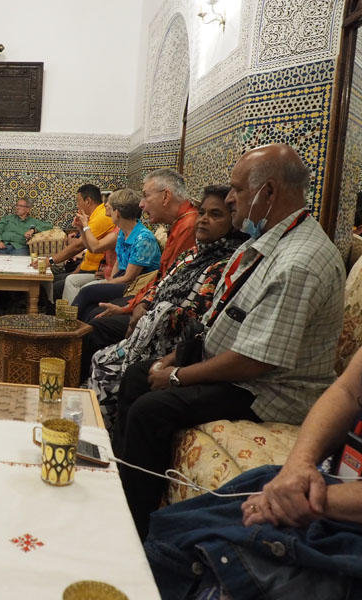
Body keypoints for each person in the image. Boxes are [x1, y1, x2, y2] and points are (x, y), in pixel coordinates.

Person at [113, 144, 345, 539]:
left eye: (238, 189)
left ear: (268, 193)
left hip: (266, 390)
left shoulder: (300, 261)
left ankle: (134, 531)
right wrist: (172, 358)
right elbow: (221, 320)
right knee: (137, 375)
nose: (232, 198)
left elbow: (255, 362)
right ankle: (121, 492)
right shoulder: (269, 243)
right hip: (238, 366)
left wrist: (176, 377)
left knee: (151, 409)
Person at [144, 346, 362, 599]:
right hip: (329, 486)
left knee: (221, 557)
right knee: (177, 528)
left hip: (343, 523)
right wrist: (297, 466)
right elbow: (347, 390)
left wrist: (306, 500)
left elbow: (253, 360)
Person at [88, 186, 245, 431]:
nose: (203, 219)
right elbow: (161, 281)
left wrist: (146, 314)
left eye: (215, 215)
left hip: (172, 340)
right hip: (150, 320)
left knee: (97, 323)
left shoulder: (227, 265)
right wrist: (141, 304)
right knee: (97, 332)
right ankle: (94, 423)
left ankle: (106, 435)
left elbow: (199, 317)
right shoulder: (192, 255)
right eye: (202, 212)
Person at [77, 169, 198, 371]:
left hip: (165, 314)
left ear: (166, 196)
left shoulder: (189, 225)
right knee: (94, 310)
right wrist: (130, 306)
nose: (141, 204)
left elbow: (170, 285)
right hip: (146, 297)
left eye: (145, 195)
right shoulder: (177, 225)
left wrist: (136, 307)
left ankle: (82, 379)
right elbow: (164, 278)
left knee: (96, 318)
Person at [67, 188, 160, 305]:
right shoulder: (123, 232)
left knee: (87, 291)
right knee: (88, 303)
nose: (105, 205)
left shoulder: (143, 238)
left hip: (137, 286)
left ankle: (70, 320)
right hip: (122, 280)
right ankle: (72, 319)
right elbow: (118, 263)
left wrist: (106, 283)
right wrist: (110, 280)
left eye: (109, 205)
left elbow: (129, 278)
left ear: (117, 213)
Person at [46, 184, 116, 300]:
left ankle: (57, 316)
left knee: (55, 287)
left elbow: (78, 246)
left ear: (88, 201)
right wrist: (80, 227)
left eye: (78, 202)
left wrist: (50, 261)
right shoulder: (94, 216)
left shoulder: (102, 217)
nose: (77, 205)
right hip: (87, 267)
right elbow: (87, 249)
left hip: (95, 271)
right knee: (52, 280)